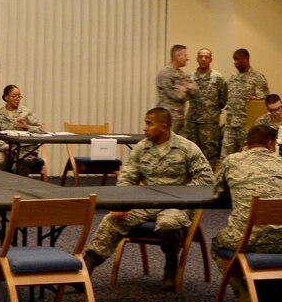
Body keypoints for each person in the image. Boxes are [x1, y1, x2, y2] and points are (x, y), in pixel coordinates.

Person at [80, 107, 214, 288]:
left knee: (169, 223)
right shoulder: (142, 148)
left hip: (176, 206)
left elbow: (206, 179)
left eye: (149, 124)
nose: (144, 128)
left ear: (163, 127)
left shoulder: (186, 147)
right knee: (111, 220)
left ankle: (171, 263)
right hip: (145, 205)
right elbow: (128, 177)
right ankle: (87, 268)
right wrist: (121, 204)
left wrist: (181, 195)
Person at [212, 125, 282, 302]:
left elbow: (218, 192)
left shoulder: (232, 161)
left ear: (247, 143)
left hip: (245, 240)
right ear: (272, 144)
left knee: (216, 243)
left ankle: (243, 293)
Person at [224, 48, 268, 159]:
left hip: (246, 125)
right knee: (226, 157)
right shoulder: (233, 78)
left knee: (244, 158)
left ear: (246, 59)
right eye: (234, 60)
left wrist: (256, 100)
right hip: (231, 124)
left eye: (238, 60)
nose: (235, 63)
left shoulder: (257, 78)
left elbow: (264, 100)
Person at [185, 47, 227, 161]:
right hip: (192, 121)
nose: (203, 59)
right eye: (201, 57)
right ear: (197, 59)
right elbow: (186, 96)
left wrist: (212, 111)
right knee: (191, 152)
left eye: (206, 57)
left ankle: (209, 178)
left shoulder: (218, 78)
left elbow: (223, 99)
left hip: (210, 123)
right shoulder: (190, 77)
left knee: (210, 153)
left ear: (211, 60)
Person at [0, 83, 41, 171]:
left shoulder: (26, 113)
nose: (17, 99)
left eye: (19, 96)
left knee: (18, 166)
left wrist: (26, 127)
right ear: (6, 97)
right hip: (6, 150)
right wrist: (5, 147)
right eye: (14, 96)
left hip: (26, 150)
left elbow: (40, 130)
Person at [155, 44, 195, 136]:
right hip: (168, 118)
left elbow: (195, 91)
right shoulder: (166, 74)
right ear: (177, 57)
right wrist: (187, 89)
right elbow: (176, 96)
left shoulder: (181, 73)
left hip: (180, 118)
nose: (187, 58)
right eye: (185, 55)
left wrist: (184, 89)